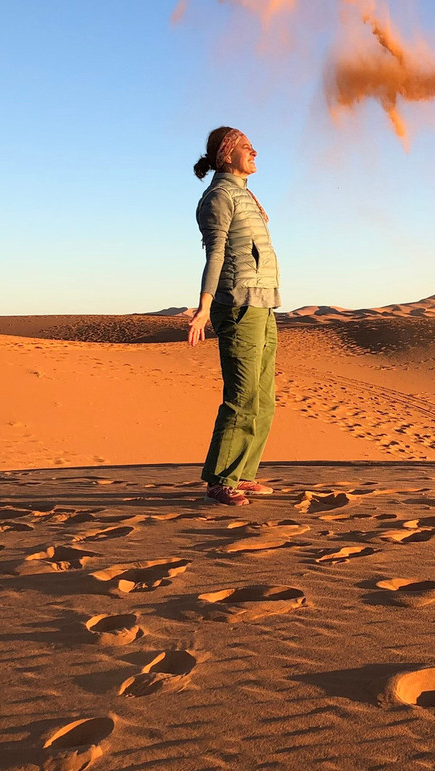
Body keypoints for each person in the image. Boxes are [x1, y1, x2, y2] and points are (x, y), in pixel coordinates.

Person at [188, 127, 281, 506]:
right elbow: (215, 254)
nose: (254, 150)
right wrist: (204, 307)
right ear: (226, 155)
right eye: (245, 146)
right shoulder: (219, 196)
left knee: (263, 397)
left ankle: (243, 474)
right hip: (238, 303)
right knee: (241, 395)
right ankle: (220, 480)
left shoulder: (243, 194)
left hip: (263, 303)